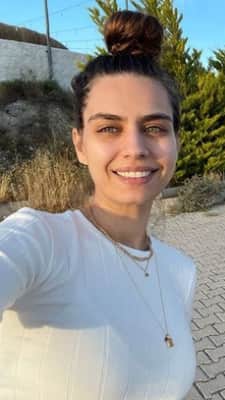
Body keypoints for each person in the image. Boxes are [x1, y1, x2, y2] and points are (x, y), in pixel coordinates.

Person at [0, 10, 196, 400]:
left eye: (155, 127)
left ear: (176, 141)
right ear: (80, 145)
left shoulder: (181, 271)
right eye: (109, 128)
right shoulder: (39, 242)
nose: (135, 148)